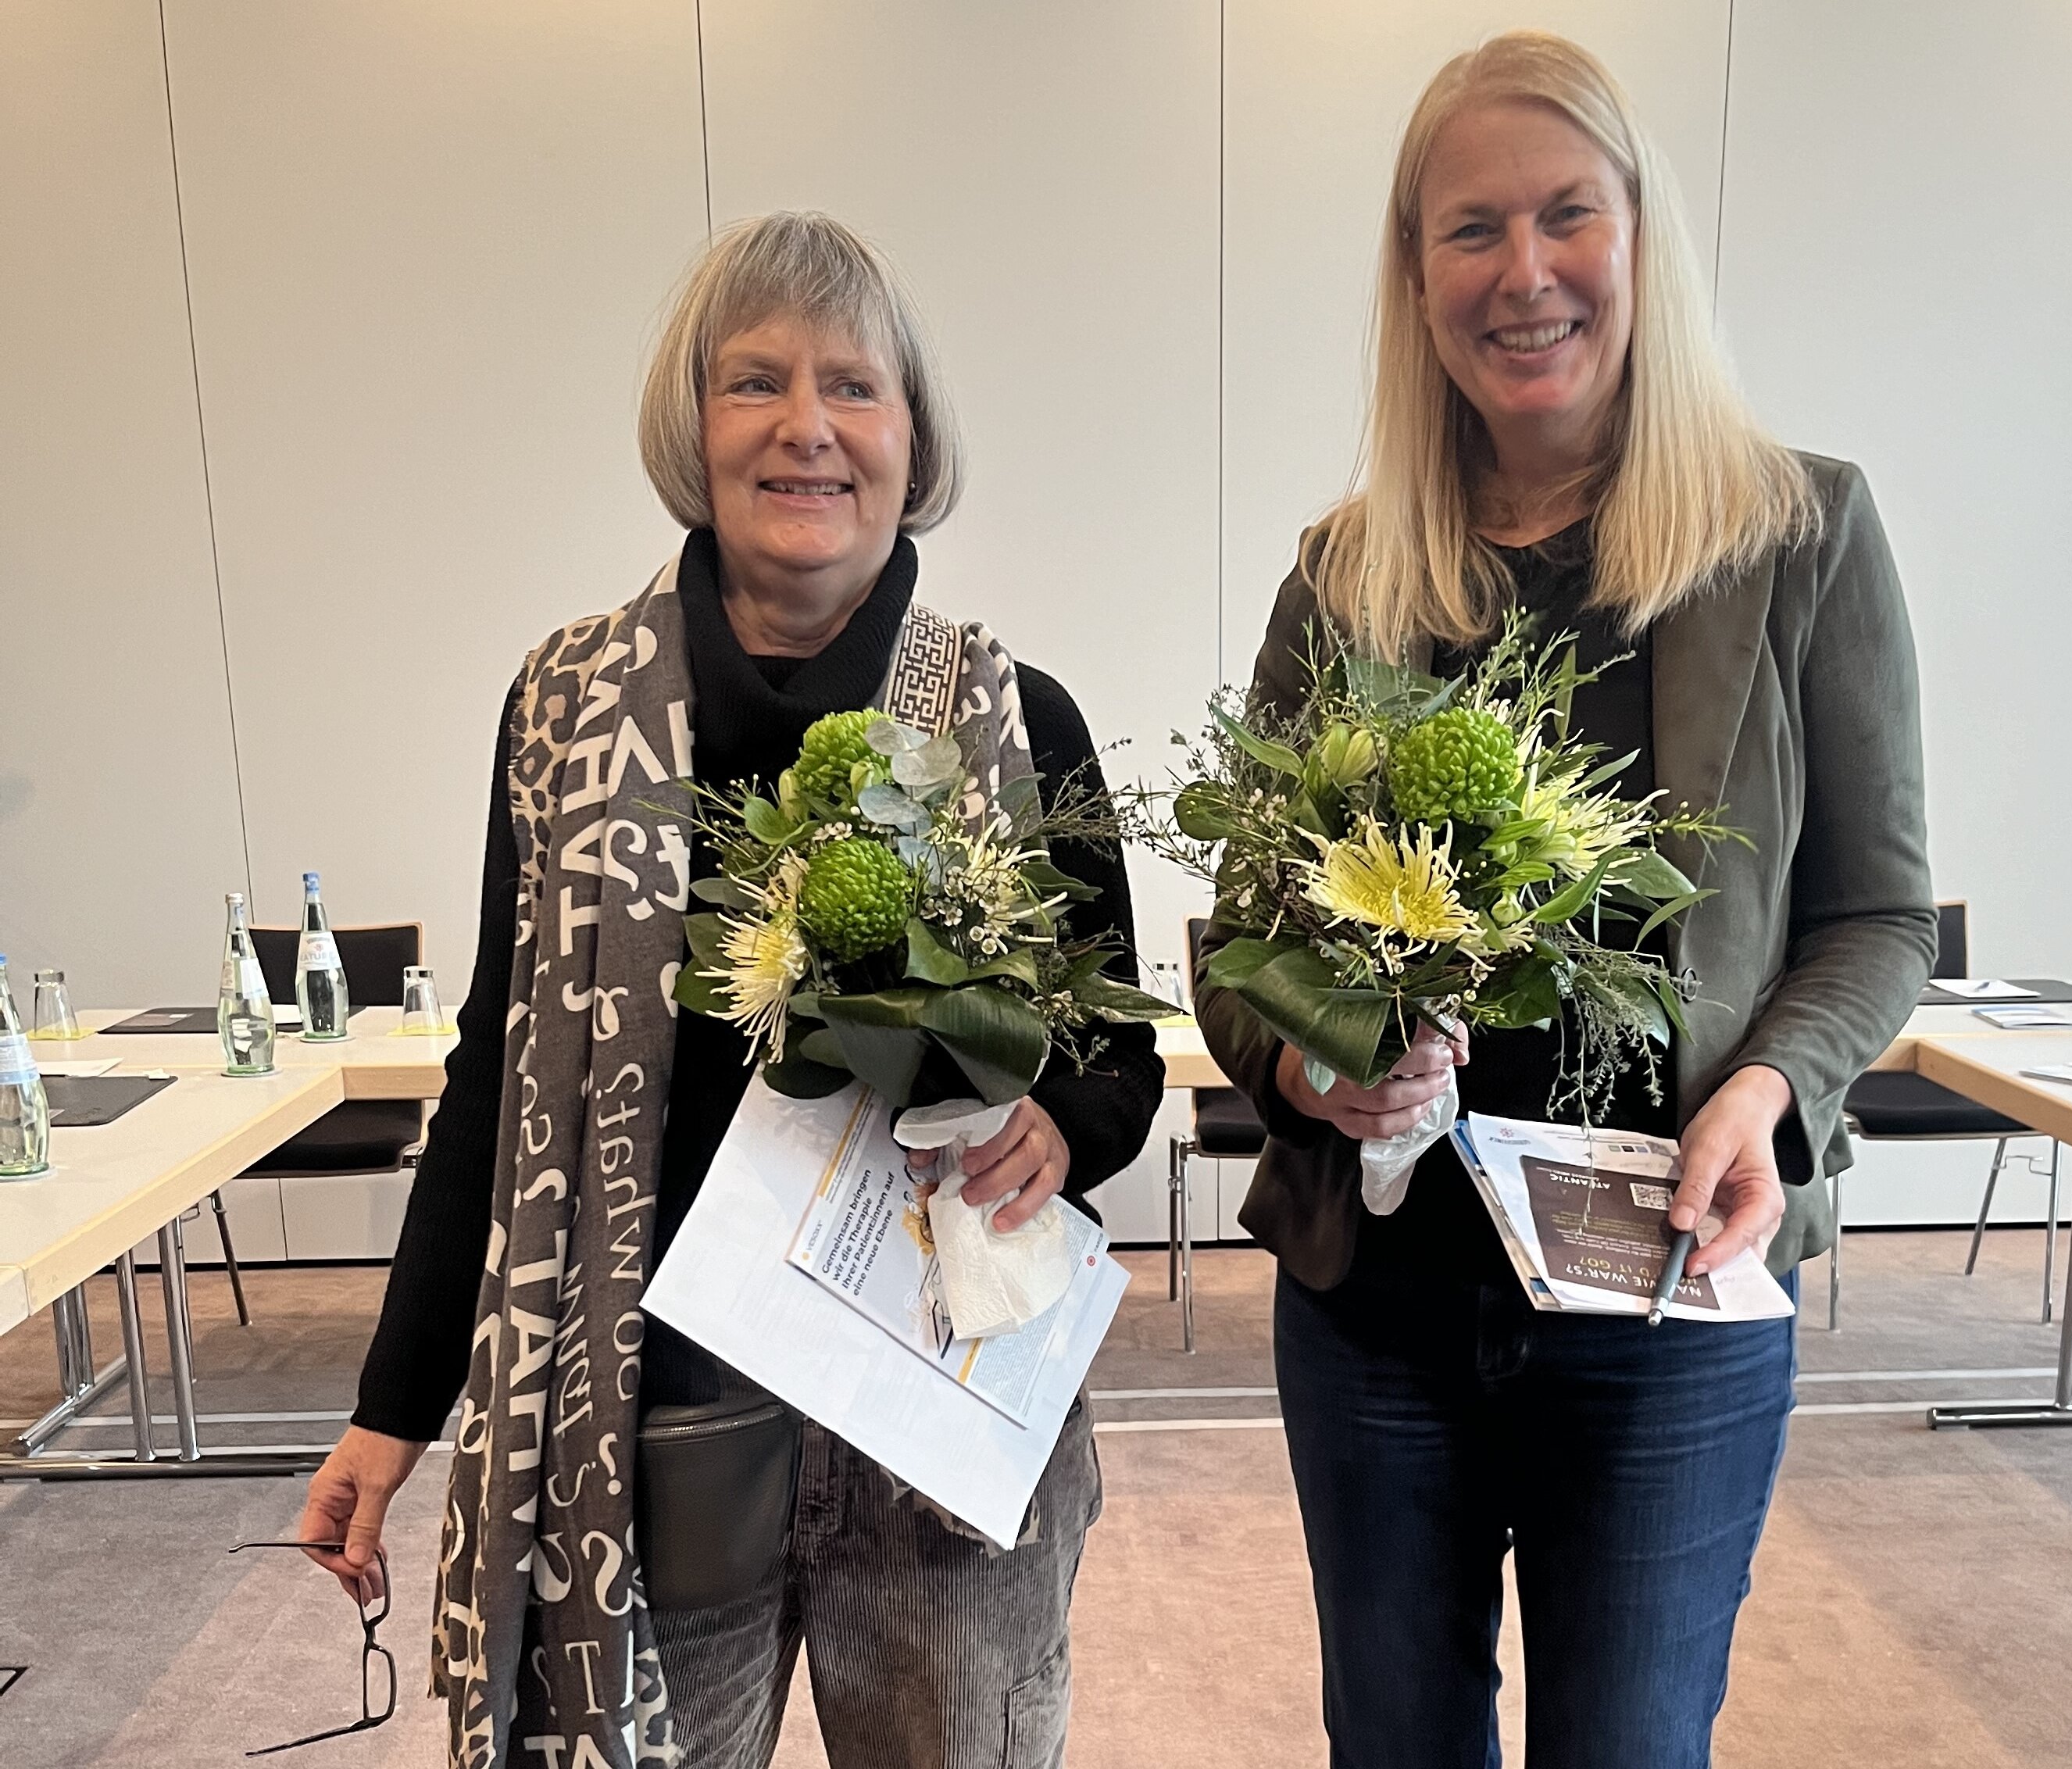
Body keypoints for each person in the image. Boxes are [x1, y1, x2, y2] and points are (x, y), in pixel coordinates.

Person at [295, 211, 1163, 1768]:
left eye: (854, 385)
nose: (806, 425)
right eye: (754, 381)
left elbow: (1115, 1058)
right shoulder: (566, 712)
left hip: (937, 1427)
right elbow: (496, 1079)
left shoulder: (1018, 721)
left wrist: (1062, 1123)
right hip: (645, 1430)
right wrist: (395, 1399)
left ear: (913, 437)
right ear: (694, 432)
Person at [1193, 31, 1935, 1769]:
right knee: (1394, 1740)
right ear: (1416, 278)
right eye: (1469, 231)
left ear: (1638, 237)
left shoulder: (1801, 534)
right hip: (1380, 1301)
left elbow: (1880, 916)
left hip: (1667, 1291)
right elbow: (1243, 935)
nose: (1521, 273)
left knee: (1627, 1742)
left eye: (1564, 217)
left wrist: (1767, 1087)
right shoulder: (1348, 573)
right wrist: (1312, 1071)